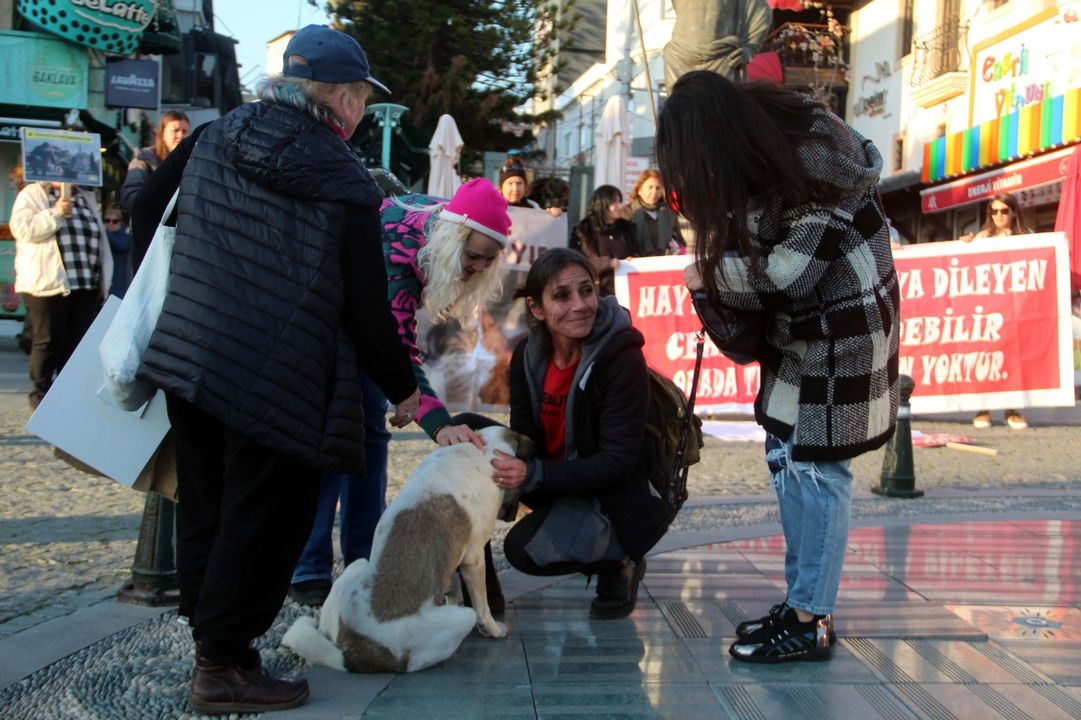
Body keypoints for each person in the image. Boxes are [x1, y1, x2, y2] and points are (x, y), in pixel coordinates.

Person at [132, 25, 421, 714]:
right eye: (356, 98)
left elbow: (143, 209)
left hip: (192, 358)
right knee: (264, 521)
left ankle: (217, 647)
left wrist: (198, 278)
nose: (356, 111)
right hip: (281, 381)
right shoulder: (344, 177)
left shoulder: (211, 136)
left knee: (207, 506)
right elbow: (363, 301)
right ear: (341, 99)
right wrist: (405, 387)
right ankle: (223, 666)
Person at [656, 71, 899, 663]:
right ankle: (802, 603)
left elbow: (792, 272)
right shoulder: (766, 151)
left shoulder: (815, 154)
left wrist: (704, 274)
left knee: (818, 470)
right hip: (803, 328)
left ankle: (811, 618)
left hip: (847, 325)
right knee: (786, 456)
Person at [289, 177, 512, 611]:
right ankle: (309, 567)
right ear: (452, 240)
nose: (477, 269)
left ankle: (364, 556)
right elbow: (395, 341)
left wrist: (410, 398)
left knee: (371, 437)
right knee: (334, 437)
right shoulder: (400, 248)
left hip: (365, 325)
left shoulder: (441, 226)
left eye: (488, 262)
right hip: (329, 323)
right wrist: (435, 420)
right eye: (472, 257)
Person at [491, 248, 667, 620]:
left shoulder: (622, 356)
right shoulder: (527, 354)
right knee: (475, 431)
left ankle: (618, 559)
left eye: (587, 291)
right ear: (537, 309)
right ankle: (471, 578)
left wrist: (533, 475)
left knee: (523, 549)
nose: (580, 305)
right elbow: (523, 434)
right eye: (562, 296)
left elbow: (617, 464)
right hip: (559, 478)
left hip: (611, 495)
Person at [10, 181, 113, 409]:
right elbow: (22, 228)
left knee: (76, 347)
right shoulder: (34, 194)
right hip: (48, 283)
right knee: (47, 341)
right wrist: (56, 213)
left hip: (85, 284)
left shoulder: (86, 197)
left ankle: (67, 399)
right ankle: (40, 398)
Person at [960, 192, 1031, 430]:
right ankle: (983, 409)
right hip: (988, 308)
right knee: (986, 354)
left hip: (1016, 308)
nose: (999, 216)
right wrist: (967, 244)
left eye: (1004, 210)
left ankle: (1012, 409)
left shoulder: (1026, 237)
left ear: (1013, 212)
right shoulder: (982, 237)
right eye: (994, 211)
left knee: (1013, 354)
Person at [119, 110, 190, 216]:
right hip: (152, 228)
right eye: (175, 130)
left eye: (184, 131)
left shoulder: (195, 163)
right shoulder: (143, 160)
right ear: (163, 134)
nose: (180, 135)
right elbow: (130, 198)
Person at [571, 184, 637, 295]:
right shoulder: (584, 229)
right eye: (613, 202)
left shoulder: (627, 228)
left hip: (625, 290)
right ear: (601, 204)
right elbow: (580, 261)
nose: (619, 206)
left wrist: (634, 259)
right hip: (597, 292)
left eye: (619, 201)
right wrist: (607, 263)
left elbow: (636, 251)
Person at [626, 168, 684, 256]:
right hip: (636, 266)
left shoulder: (670, 213)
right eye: (650, 187)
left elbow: (680, 242)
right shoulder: (627, 212)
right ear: (639, 190)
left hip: (663, 265)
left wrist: (677, 250)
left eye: (658, 188)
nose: (654, 192)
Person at [498, 162, 563, 217]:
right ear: (501, 188)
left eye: (519, 183)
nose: (515, 189)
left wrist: (552, 215)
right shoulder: (493, 208)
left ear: (525, 186)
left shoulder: (534, 207)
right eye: (510, 183)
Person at [101, 205, 131, 298]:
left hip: (120, 278)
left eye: (115, 221)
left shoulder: (124, 235)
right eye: (107, 220)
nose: (110, 223)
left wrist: (106, 232)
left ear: (120, 222)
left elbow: (121, 245)